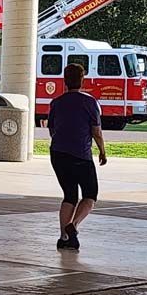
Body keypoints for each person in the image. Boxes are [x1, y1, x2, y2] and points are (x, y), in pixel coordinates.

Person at [48, 63, 107, 251]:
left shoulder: (56, 103)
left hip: (58, 154)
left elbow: (52, 129)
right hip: (81, 155)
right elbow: (96, 131)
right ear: (82, 80)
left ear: (64, 80)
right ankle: (73, 226)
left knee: (69, 195)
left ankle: (64, 238)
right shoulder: (90, 102)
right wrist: (102, 151)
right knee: (90, 194)